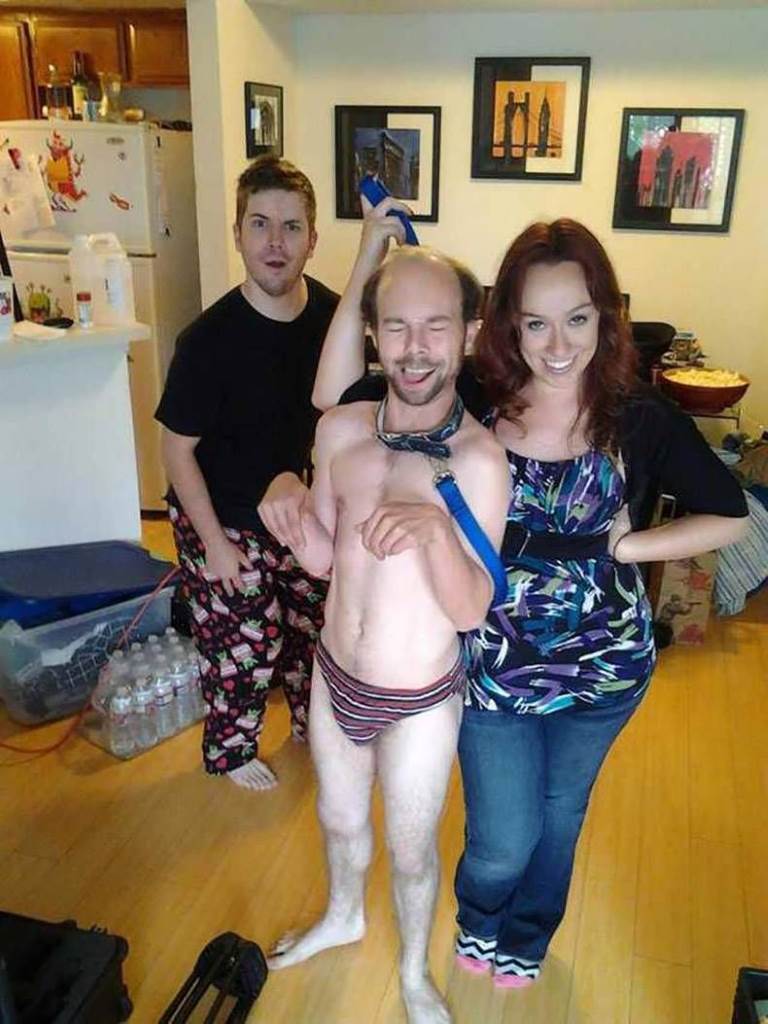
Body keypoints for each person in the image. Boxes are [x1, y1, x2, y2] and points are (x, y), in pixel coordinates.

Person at [310, 214, 748, 987]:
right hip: (492, 662)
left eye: (577, 319)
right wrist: (368, 258)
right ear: (506, 324)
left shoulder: (636, 415)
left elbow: (731, 513)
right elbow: (337, 395)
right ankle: (480, 918)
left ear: (605, 316)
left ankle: (526, 935)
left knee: (560, 815)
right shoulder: (477, 397)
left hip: (605, 667)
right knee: (502, 836)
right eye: (535, 322)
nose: (557, 345)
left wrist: (629, 548)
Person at [264, 246, 510, 1024]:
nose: (415, 348)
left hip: (420, 697)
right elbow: (322, 556)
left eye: (436, 326)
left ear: (468, 332)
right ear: (371, 332)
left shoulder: (480, 461)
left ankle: (411, 972)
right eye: (397, 326)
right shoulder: (339, 431)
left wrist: (435, 533)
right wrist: (286, 500)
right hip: (335, 675)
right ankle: (343, 916)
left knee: (410, 850)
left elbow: (471, 610)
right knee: (339, 820)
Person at [155, 155, 339, 790]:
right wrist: (213, 545)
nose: (275, 242)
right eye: (259, 224)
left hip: (299, 511)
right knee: (246, 644)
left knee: (314, 629)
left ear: (313, 239)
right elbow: (176, 451)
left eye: (291, 227)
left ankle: (316, 729)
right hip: (219, 514)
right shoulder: (207, 342)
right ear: (237, 234)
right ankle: (231, 752)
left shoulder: (335, 323)